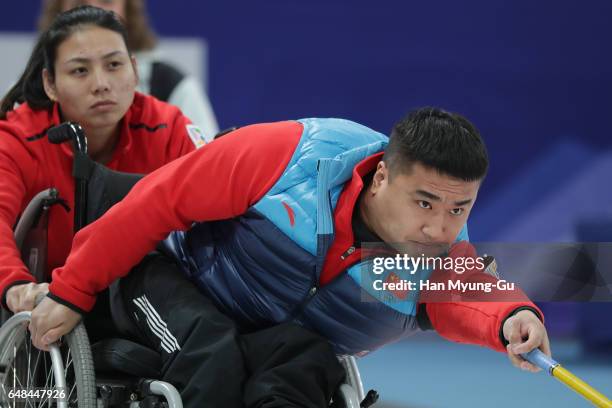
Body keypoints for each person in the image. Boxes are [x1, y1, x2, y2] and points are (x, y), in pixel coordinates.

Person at [30, 108, 552, 405]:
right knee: (212, 352)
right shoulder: (287, 155)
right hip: (174, 278)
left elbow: (477, 294)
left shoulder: (436, 253)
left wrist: (516, 317)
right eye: (425, 202)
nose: (440, 227)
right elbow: (155, 202)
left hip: (269, 335)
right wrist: (72, 289)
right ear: (383, 175)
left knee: (308, 364)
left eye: (460, 208)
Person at [0, 6, 198, 315]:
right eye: (80, 70)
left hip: (145, 293)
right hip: (44, 308)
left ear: (134, 70)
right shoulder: (17, 139)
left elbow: (212, 211)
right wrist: (14, 285)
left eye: (114, 65)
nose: (101, 83)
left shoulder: (168, 126)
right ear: (50, 84)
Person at [39, 0, 220, 143]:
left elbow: (211, 174)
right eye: (79, 70)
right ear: (50, 84)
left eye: (106, 0)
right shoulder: (23, 117)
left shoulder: (173, 92)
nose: (92, 11)